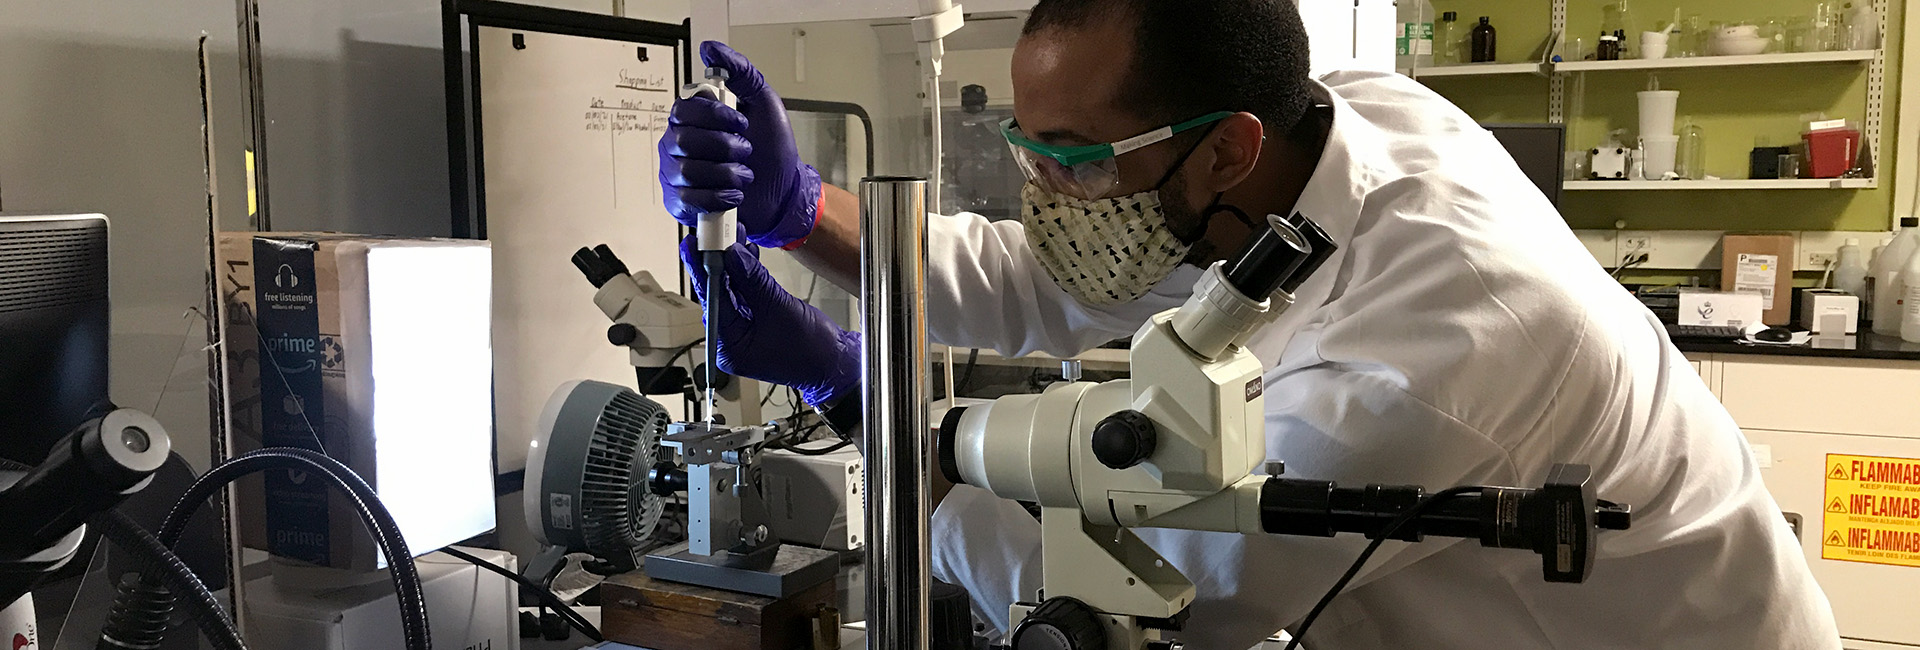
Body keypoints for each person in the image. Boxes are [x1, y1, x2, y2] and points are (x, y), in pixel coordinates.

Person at [656, 1, 1840, 647]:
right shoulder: (1327, 127)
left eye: (1070, 158)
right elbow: (1061, 277)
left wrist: (858, 397)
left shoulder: (1421, 364)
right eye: (1031, 148)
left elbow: (1149, 592)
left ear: (1228, 147)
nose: (1041, 189)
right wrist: (803, 211)